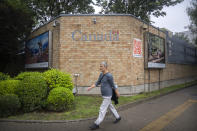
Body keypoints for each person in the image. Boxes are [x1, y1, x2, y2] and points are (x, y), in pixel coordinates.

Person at [88, 61, 121, 130]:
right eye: (100, 66)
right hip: (104, 95)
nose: (100, 67)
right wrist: (91, 87)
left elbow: (113, 85)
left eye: (101, 66)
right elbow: (97, 82)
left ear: (105, 67)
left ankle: (96, 123)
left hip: (108, 95)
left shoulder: (109, 75)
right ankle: (118, 117)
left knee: (102, 109)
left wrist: (117, 93)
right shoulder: (101, 74)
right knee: (111, 107)